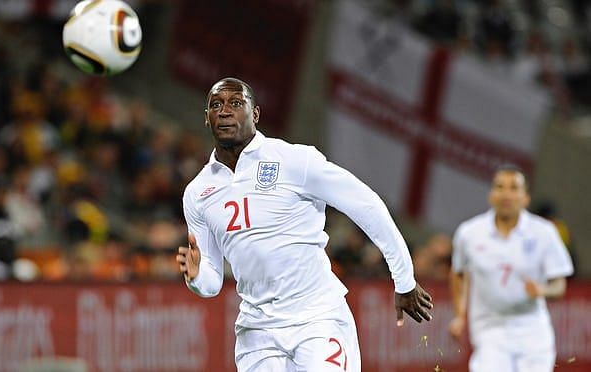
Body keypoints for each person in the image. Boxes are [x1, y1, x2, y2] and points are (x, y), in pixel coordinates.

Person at [176, 77, 433, 371]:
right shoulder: (198, 193)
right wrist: (196, 277)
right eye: (216, 105)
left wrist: (404, 279)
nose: (224, 111)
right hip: (257, 333)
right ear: (207, 119)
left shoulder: (294, 160)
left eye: (236, 103)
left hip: (317, 317)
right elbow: (211, 283)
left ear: (255, 114)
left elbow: (366, 204)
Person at [448, 165, 574, 372]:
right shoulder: (469, 233)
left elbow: (559, 284)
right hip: (490, 328)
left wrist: (543, 290)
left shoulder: (544, 232)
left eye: (514, 188)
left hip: (533, 330)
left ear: (526, 198)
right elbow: (458, 273)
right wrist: (459, 315)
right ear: (491, 195)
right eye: (500, 187)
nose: (506, 194)